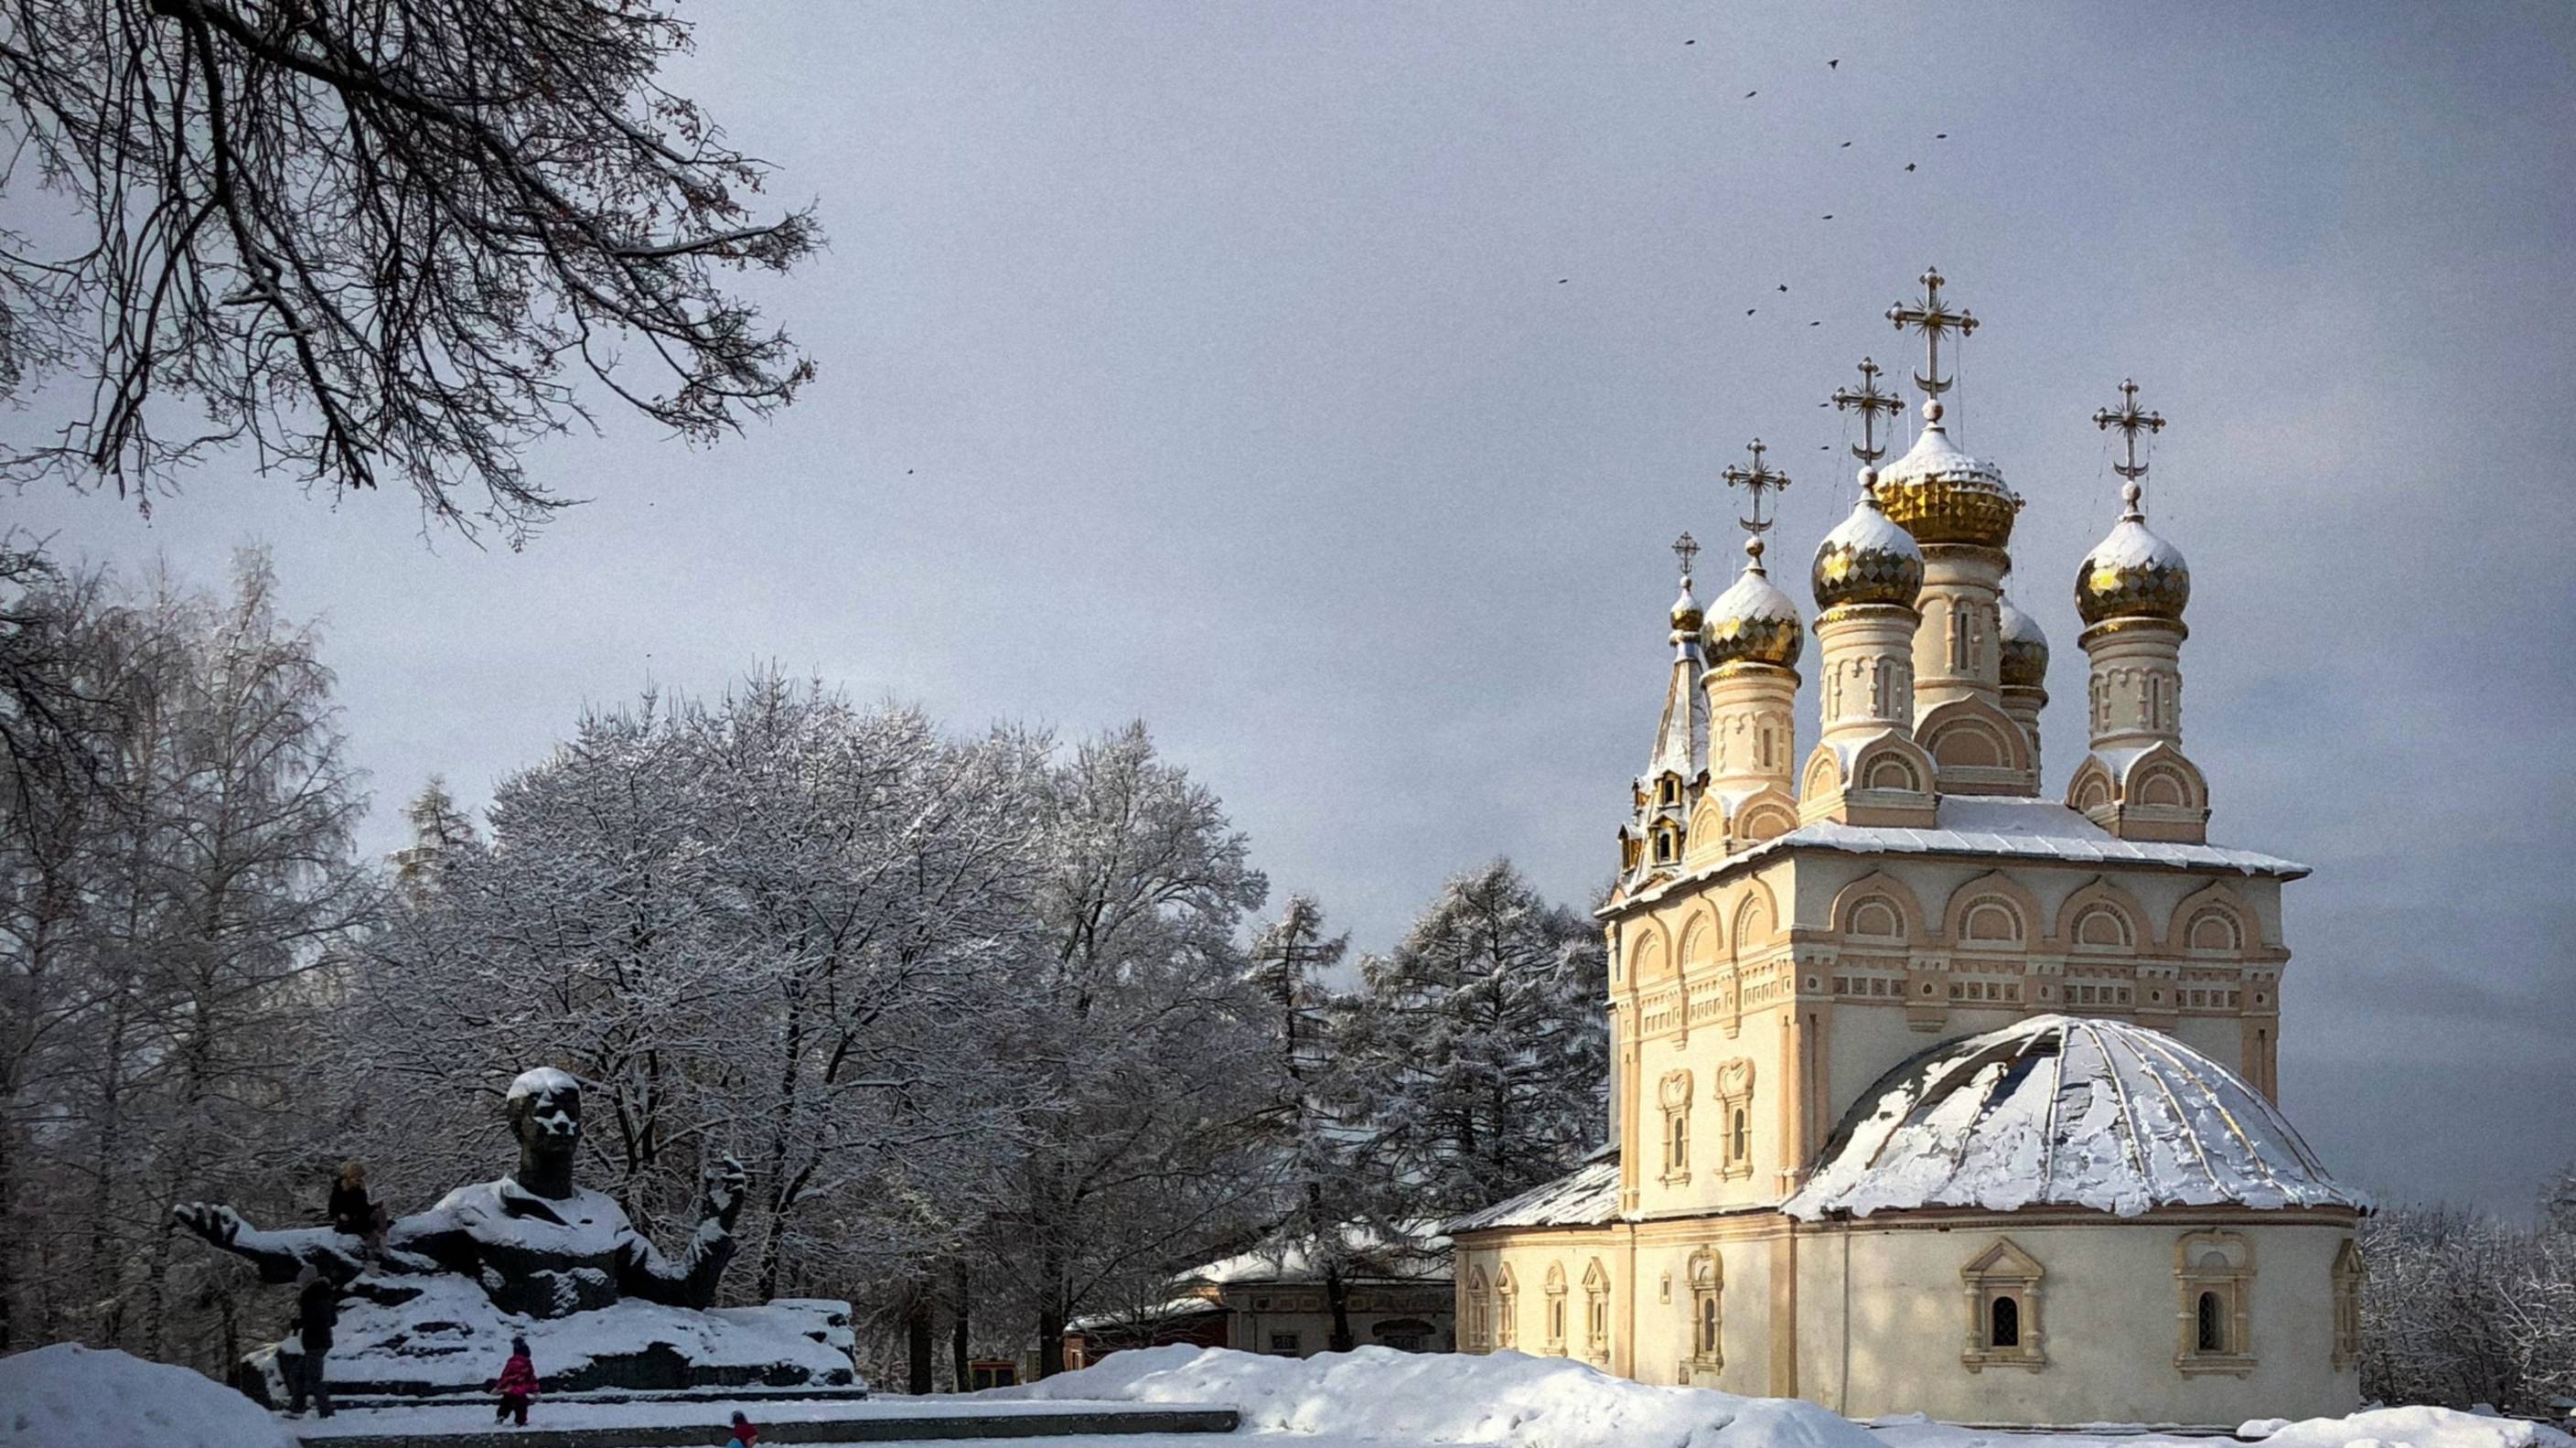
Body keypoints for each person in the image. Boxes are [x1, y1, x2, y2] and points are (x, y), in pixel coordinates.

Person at [286, 1262, 338, 1418]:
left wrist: (300, 1323)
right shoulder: (323, 1294)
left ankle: (326, 1411)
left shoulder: (314, 1296)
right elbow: (332, 1320)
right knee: (299, 1374)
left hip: (316, 1342)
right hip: (319, 1341)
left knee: (313, 1378)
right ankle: (297, 1406)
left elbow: (315, 1319)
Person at [495, 1336, 538, 1426]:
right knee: (521, 1407)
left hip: (509, 1390)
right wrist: (535, 1390)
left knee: (506, 1403)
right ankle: (520, 1421)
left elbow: (505, 1376)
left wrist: (499, 1386)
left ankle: (501, 1415)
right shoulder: (527, 1364)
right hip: (520, 1391)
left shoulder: (511, 1363)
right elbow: (531, 1378)